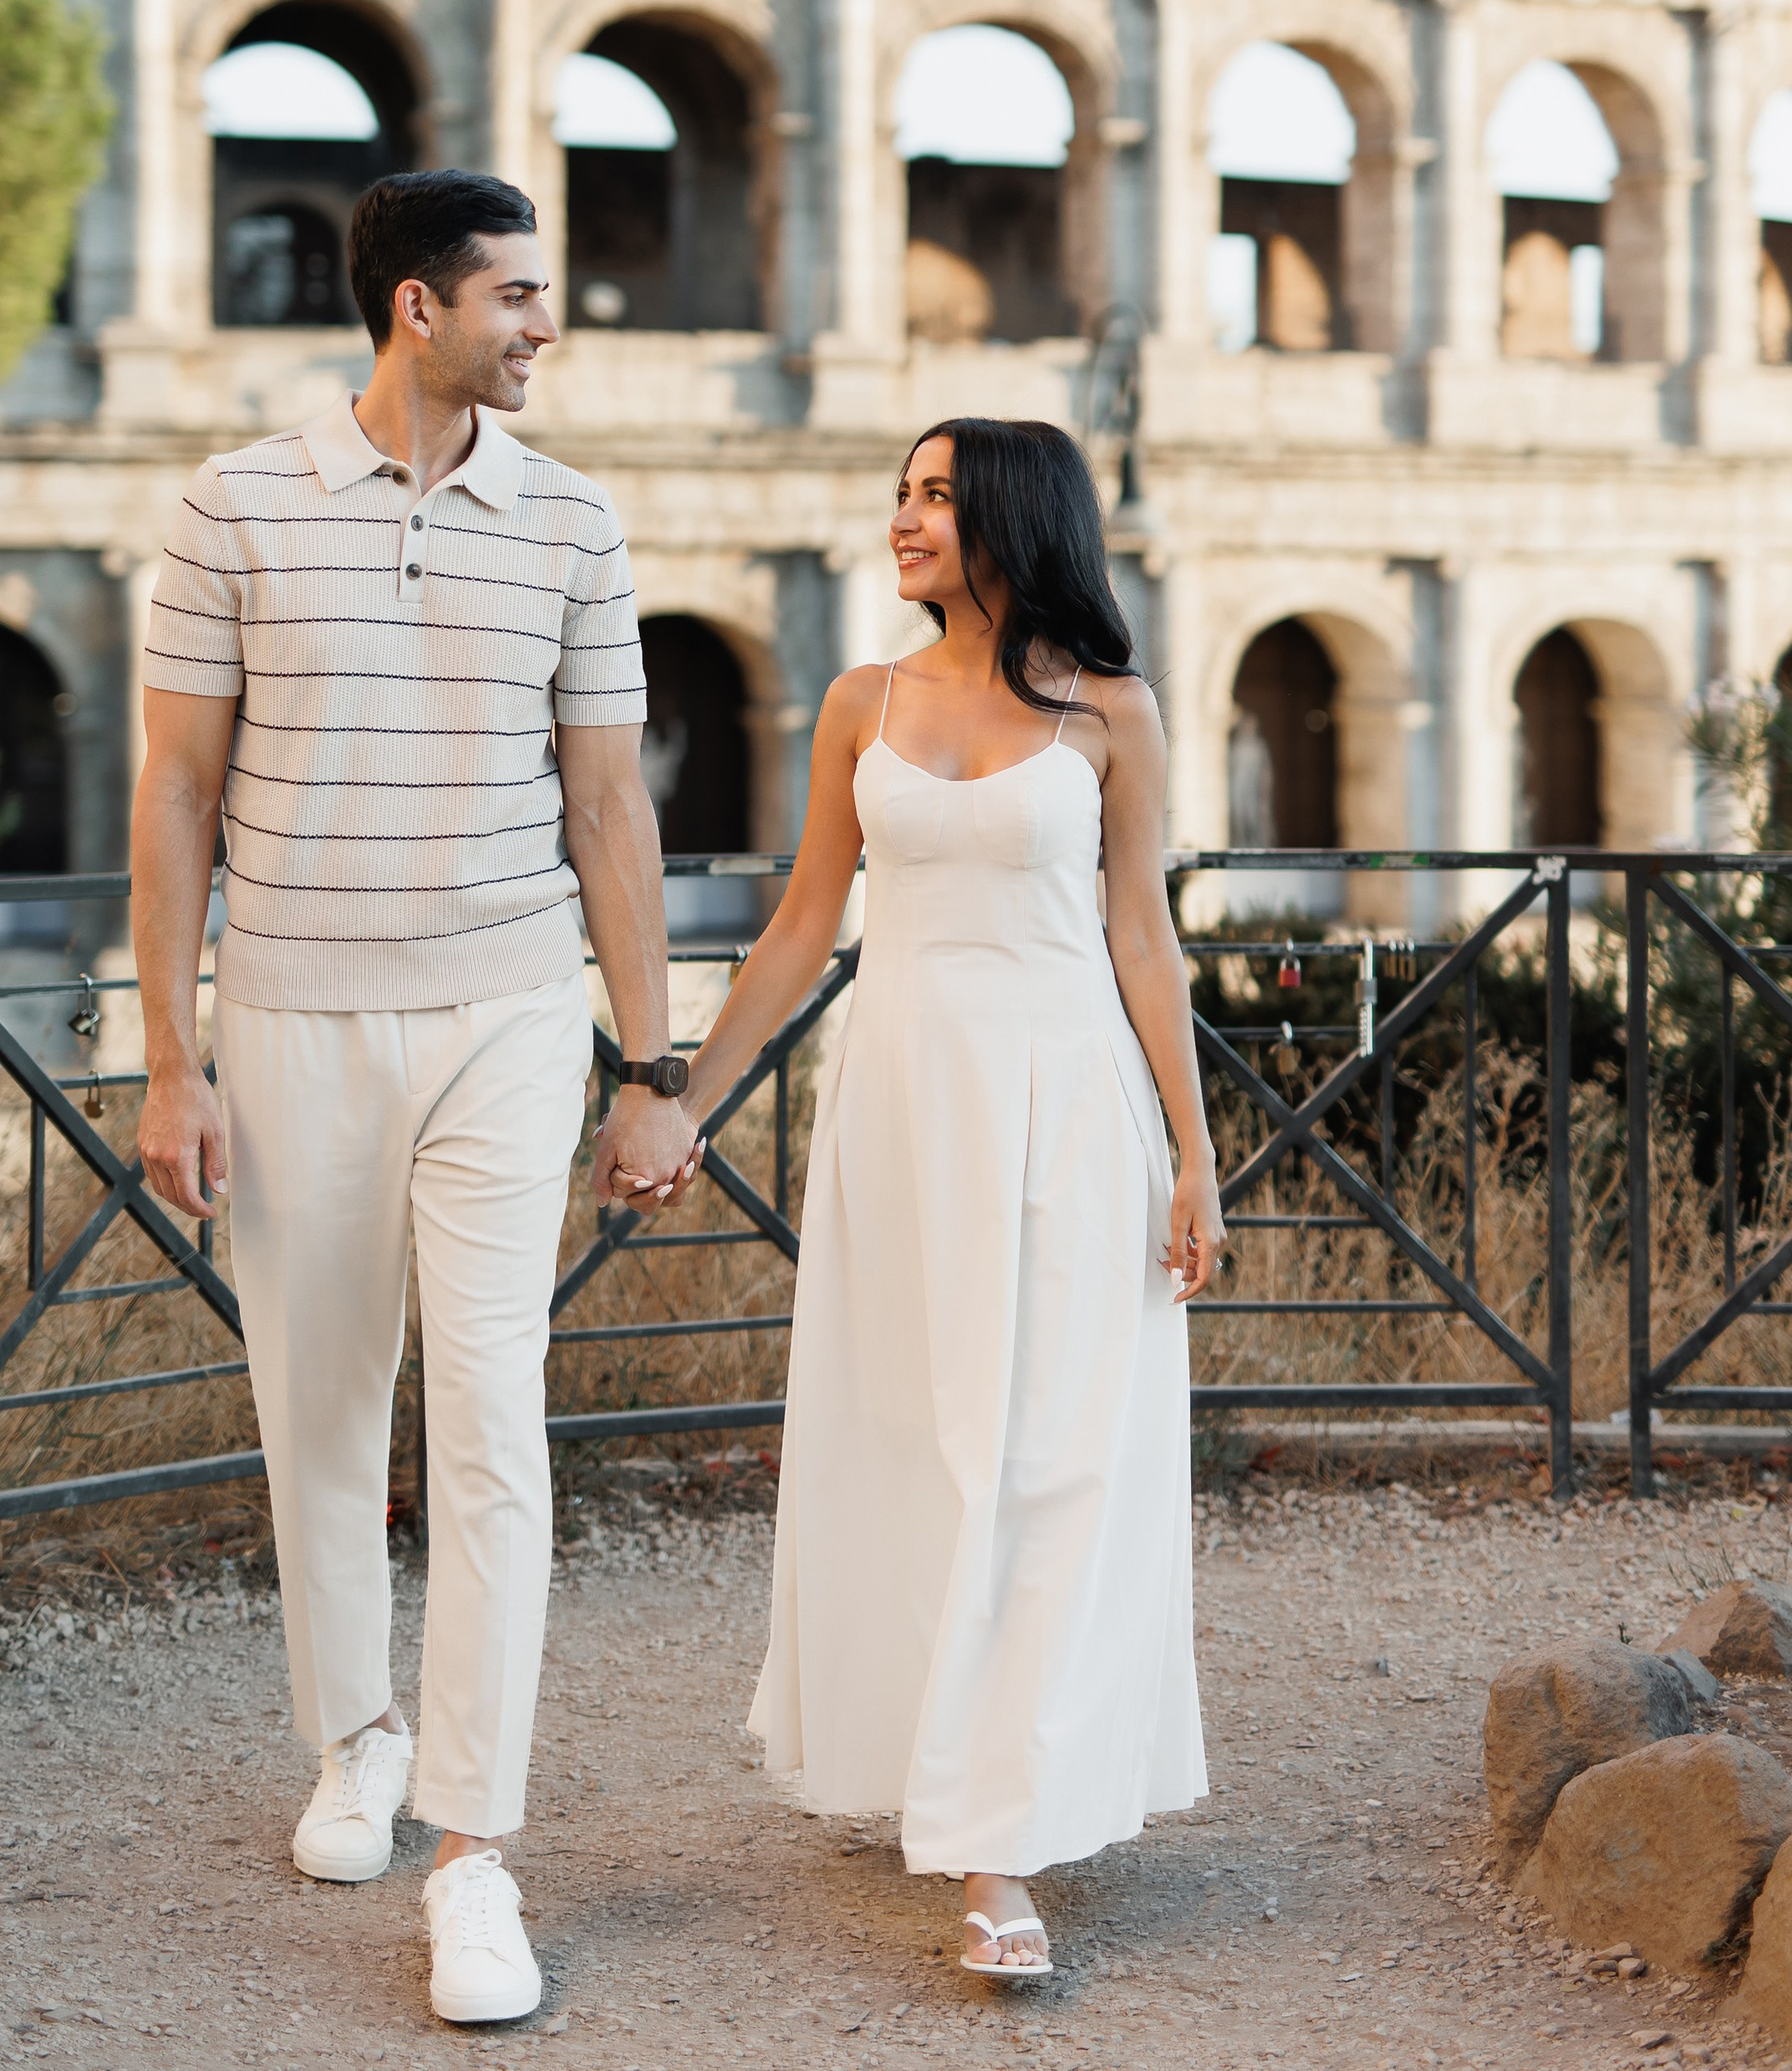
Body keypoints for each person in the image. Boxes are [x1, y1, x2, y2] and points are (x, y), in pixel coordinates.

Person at [132, 170, 696, 2028]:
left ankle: (474, 1848)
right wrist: (169, 1054)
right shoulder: (230, 507)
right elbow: (174, 803)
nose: (544, 328)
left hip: (512, 1012)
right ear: (415, 311)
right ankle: (353, 1735)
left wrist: (650, 1060)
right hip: (292, 1012)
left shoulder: (574, 522)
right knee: (314, 1405)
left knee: (491, 1416)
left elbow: (611, 808)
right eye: (518, 298)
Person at [646, 418, 1224, 1979]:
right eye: (900, 492)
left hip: (1069, 1109)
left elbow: (1144, 942)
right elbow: (796, 932)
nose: (904, 518)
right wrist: (680, 1101)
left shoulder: (1114, 715)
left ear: (1014, 521)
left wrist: (1195, 1149)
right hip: (899, 1106)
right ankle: (944, 1761)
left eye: (937, 497)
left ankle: (996, 1852)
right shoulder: (858, 706)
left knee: (1043, 1459)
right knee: (918, 1441)